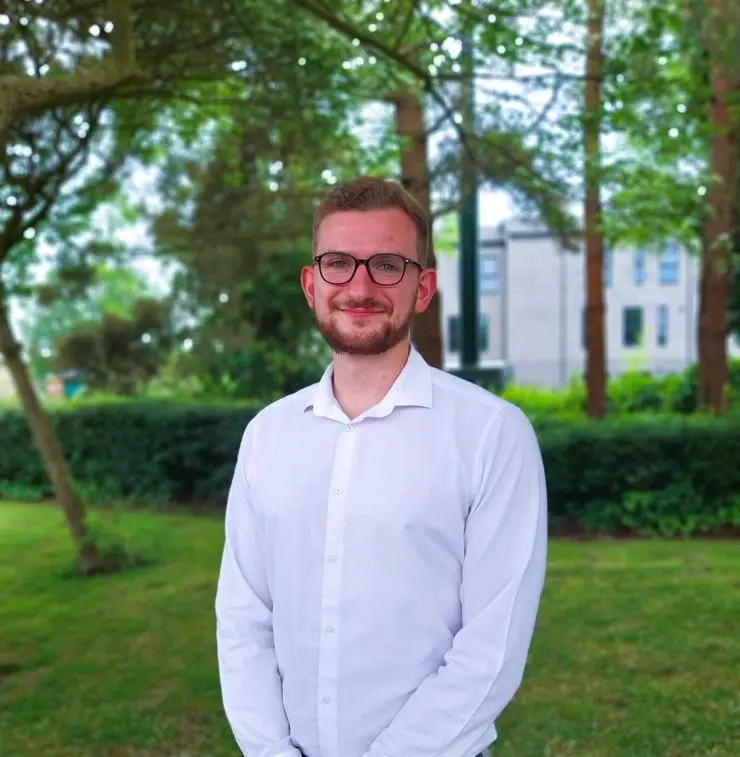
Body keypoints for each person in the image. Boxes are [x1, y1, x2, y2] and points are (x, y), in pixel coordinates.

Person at [215, 175, 548, 757]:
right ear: (311, 283)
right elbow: (244, 619)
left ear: (423, 288)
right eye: (339, 262)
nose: (360, 285)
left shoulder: (492, 433)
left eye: (388, 264)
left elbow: (491, 647)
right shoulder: (267, 434)